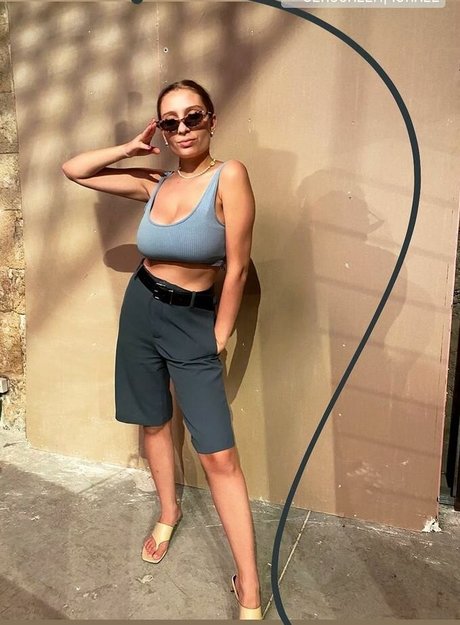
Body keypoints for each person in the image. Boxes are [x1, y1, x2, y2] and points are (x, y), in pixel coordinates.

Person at [61, 79, 262, 620]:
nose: (182, 129)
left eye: (192, 116)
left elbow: (237, 267)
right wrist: (131, 148)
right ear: (162, 131)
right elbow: (75, 169)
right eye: (170, 122)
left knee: (218, 453)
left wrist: (218, 335)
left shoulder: (229, 175)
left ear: (212, 120)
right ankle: (169, 512)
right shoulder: (156, 182)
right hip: (140, 310)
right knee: (153, 421)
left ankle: (248, 584)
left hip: (192, 320)